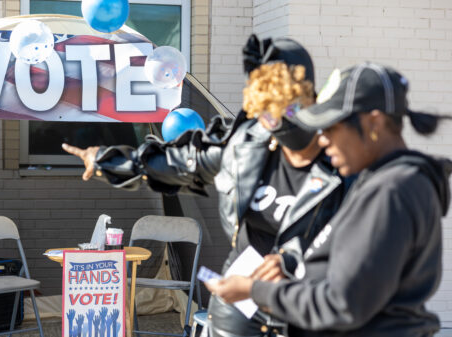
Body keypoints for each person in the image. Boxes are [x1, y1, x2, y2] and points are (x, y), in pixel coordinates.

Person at [63, 35, 347, 337]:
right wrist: (108, 161)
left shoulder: (340, 160)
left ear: (308, 98)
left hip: (307, 301)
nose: (274, 118)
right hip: (241, 297)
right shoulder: (247, 145)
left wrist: (292, 261)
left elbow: (359, 239)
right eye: (265, 106)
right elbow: (183, 162)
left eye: (286, 106)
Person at [206, 62, 451, 337]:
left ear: (374, 122)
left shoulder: (391, 191)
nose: (322, 140)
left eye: (332, 128)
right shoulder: (381, 183)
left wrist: (254, 290)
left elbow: (342, 304)